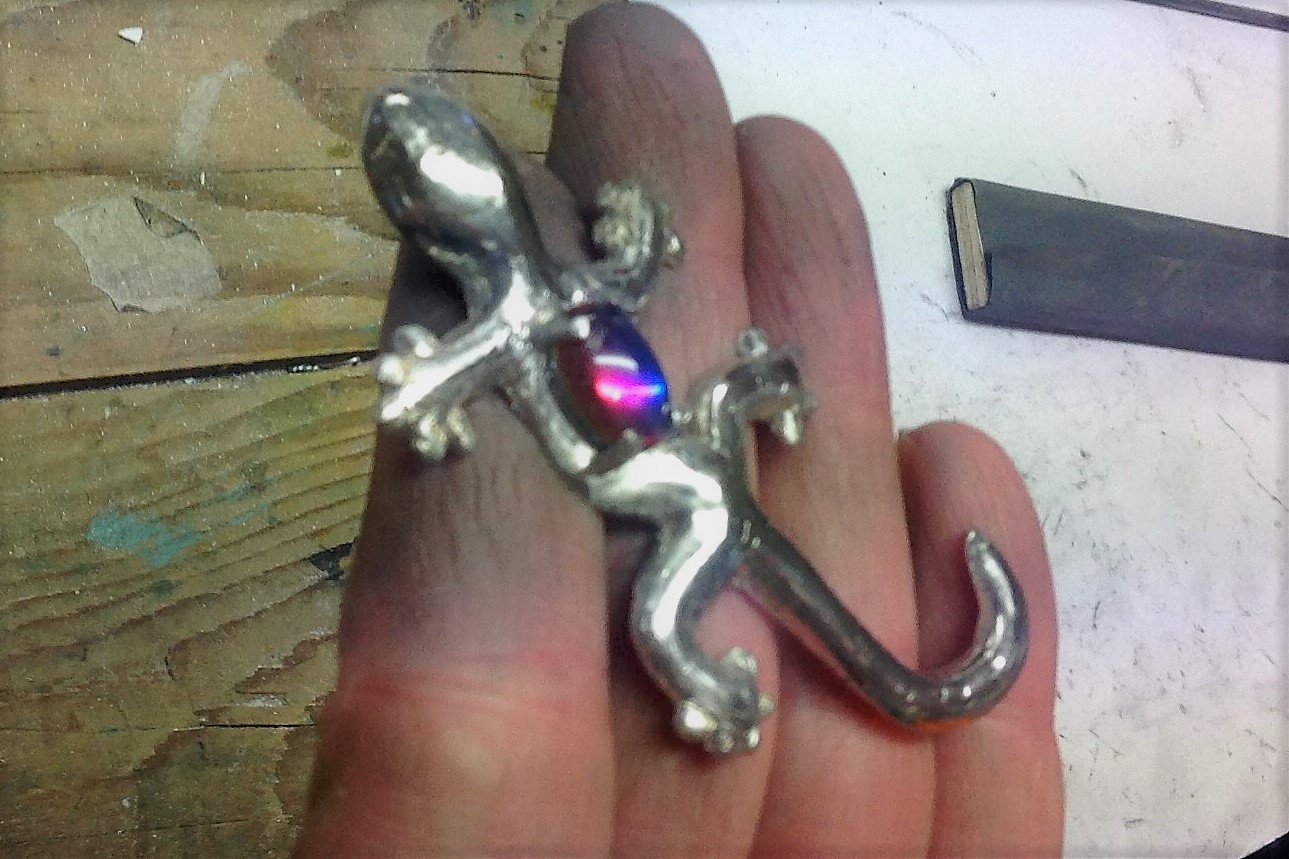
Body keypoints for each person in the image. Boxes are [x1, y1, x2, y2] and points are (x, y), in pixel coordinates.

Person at [291, 5, 1063, 857]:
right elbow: (629, 272)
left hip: (699, 508)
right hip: (699, 450)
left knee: (657, 629)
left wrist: (421, 383)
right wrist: (642, 237)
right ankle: (767, 386)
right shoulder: (567, 289)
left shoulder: (512, 320)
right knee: (720, 394)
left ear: (442, 225)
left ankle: (720, 697)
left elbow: (434, 381)